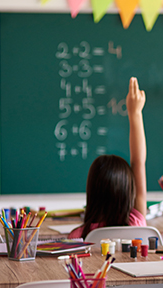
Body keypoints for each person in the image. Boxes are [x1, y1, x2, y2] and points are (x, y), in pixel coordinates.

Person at [68, 77, 147, 239]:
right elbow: (138, 162)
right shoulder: (136, 224)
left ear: (92, 191)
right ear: (129, 190)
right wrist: (135, 113)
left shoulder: (79, 236)